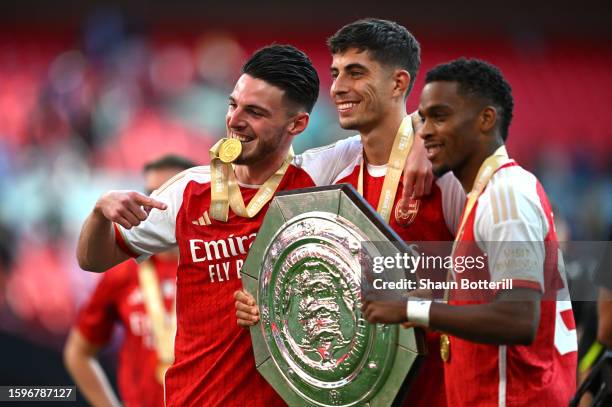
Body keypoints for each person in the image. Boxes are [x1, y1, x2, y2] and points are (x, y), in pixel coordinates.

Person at [235, 18, 466, 407]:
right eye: (336, 73)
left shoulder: (445, 173)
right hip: (356, 393)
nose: (339, 87)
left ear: (398, 83)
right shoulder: (330, 169)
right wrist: (262, 298)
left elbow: (496, 273)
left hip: (438, 392)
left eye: (356, 73)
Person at [362, 58, 578, 406]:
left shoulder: (506, 196)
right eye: (423, 119)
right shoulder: (487, 193)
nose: (425, 131)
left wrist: (412, 308)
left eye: (440, 116)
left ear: (485, 119)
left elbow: (518, 318)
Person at [64, 155, 196, 407]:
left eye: (171, 193)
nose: (159, 203)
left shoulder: (216, 263)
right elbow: (78, 352)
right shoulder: (122, 272)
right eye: (151, 193)